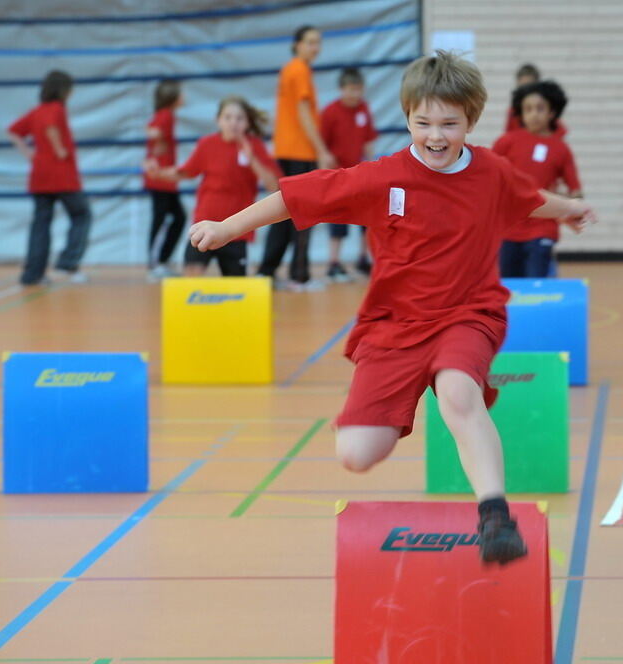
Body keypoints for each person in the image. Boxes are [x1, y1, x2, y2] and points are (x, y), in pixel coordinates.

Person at [187, 51, 598, 563]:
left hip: (468, 313)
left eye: (450, 124)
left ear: (471, 121)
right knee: (357, 455)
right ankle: (414, 387)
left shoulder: (490, 171)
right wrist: (227, 227)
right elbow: (297, 198)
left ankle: (495, 514)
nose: (436, 135)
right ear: (406, 118)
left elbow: (530, 197)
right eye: (423, 122)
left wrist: (572, 209)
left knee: (457, 391)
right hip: (395, 326)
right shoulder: (382, 178)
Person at [144, 96, 280, 276]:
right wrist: (158, 173)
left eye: (239, 118)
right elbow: (185, 172)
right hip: (205, 224)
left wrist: (252, 158)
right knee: (191, 283)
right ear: (218, 121)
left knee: (236, 292)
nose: (233, 123)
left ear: (247, 122)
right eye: (228, 117)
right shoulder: (207, 144)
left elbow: (273, 187)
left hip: (237, 229)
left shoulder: (255, 146)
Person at [259, 25, 336, 291]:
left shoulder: (291, 69)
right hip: (300, 153)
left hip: (287, 151)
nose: (316, 47)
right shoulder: (300, 70)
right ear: (298, 44)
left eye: (318, 42)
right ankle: (299, 275)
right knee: (304, 213)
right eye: (311, 42)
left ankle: (266, 272)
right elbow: (303, 113)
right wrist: (321, 150)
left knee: (283, 213)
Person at [8, 70, 92, 286]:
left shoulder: (36, 111)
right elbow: (51, 126)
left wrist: (28, 153)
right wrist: (59, 148)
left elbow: (13, 131)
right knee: (82, 214)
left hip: (40, 175)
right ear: (63, 89)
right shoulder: (56, 108)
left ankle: (32, 274)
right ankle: (68, 263)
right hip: (60, 174)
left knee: (40, 225)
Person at [493, 80, 582, 277]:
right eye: (528, 109)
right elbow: (490, 176)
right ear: (521, 113)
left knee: (537, 285)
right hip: (509, 228)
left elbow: (575, 188)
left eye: (540, 108)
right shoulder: (507, 142)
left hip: (543, 227)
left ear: (552, 112)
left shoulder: (561, 149)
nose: (534, 114)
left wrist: (572, 207)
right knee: (508, 287)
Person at [320, 67, 380, 279]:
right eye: (351, 89)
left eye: (358, 89)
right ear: (342, 89)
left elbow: (368, 140)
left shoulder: (363, 109)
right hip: (338, 175)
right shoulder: (330, 112)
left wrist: (374, 167)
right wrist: (325, 171)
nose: (355, 94)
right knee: (338, 221)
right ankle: (333, 262)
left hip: (360, 175)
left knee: (366, 220)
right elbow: (321, 146)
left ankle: (363, 259)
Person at [144, 79, 186, 281]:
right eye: (180, 93)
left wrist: (157, 144)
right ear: (172, 97)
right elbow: (152, 130)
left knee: (178, 217)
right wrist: (157, 142)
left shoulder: (165, 115)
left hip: (165, 179)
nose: (183, 97)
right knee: (162, 219)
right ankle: (155, 264)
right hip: (159, 179)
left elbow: (152, 129)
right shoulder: (166, 115)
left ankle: (161, 261)